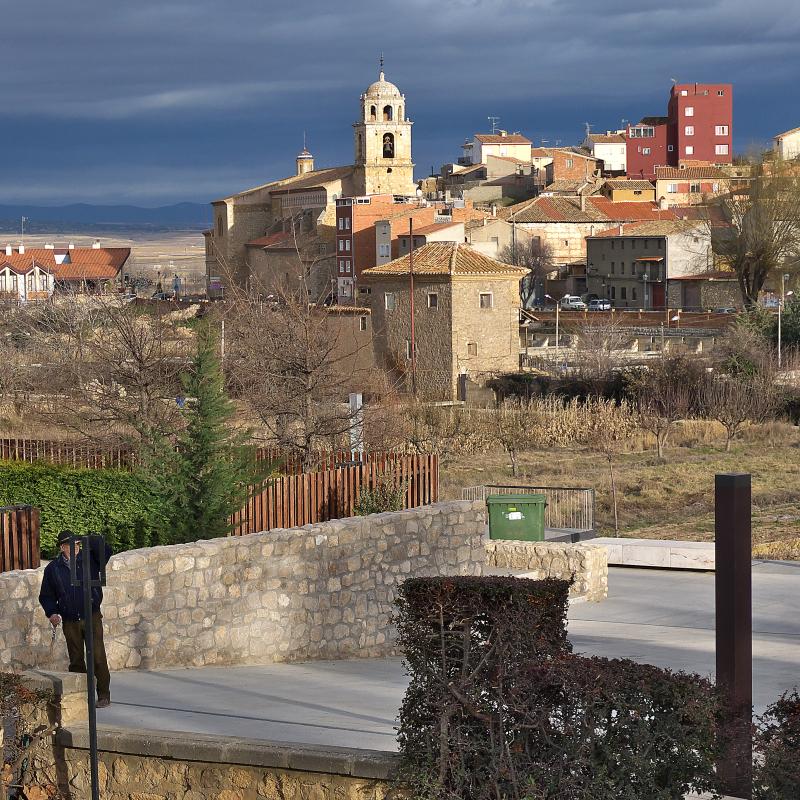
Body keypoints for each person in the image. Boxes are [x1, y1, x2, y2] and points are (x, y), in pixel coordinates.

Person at [39, 531, 113, 707]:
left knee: (98, 657)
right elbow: (46, 596)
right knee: (76, 660)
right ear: (62, 548)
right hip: (70, 620)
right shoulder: (53, 569)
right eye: (71, 545)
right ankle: (81, 698)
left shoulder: (90, 559)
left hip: (92, 615)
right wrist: (52, 613)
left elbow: (106, 551)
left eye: (78, 544)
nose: (76, 548)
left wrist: (92, 537)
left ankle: (103, 695)